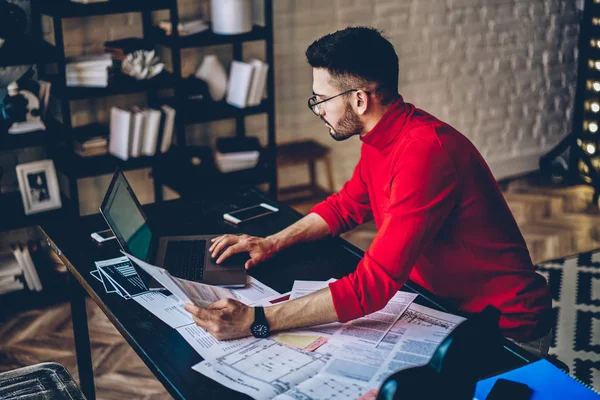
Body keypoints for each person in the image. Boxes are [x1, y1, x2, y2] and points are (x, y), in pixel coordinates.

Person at [184, 26, 553, 357]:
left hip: (504, 328)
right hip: (437, 305)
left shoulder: (424, 153)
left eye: (321, 99)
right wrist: (272, 242)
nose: (319, 110)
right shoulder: (381, 136)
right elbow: (345, 206)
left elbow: (371, 287)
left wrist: (256, 319)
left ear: (359, 100)